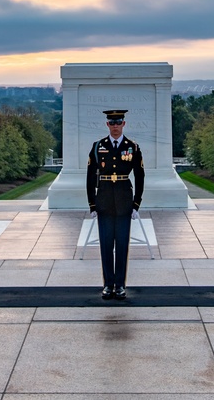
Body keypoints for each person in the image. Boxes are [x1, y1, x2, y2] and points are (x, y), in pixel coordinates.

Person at [86, 109, 145, 300]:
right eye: (112, 123)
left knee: (121, 245)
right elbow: (89, 177)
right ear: (107, 125)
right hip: (104, 202)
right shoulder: (98, 147)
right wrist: (92, 204)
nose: (115, 126)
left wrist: (136, 204)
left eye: (118, 122)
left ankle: (120, 285)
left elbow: (140, 176)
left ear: (124, 124)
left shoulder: (132, 147)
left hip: (123, 202)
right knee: (105, 246)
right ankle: (108, 285)